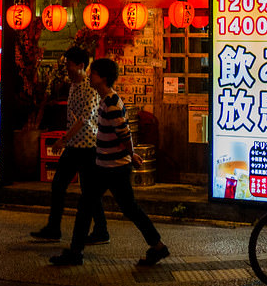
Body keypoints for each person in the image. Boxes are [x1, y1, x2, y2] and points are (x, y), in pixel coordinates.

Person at [51, 57, 169, 267]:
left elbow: (125, 133)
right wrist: (129, 155)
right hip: (106, 165)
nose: (89, 76)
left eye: (93, 73)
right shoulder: (105, 100)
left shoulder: (112, 103)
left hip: (113, 168)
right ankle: (76, 252)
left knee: (123, 208)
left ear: (102, 78)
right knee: (90, 206)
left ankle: (158, 246)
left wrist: (131, 155)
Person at [30, 46, 108, 244]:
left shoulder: (90, 87)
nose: (67, 69)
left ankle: (100, 231)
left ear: (81, 65)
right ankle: (54, 229)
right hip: (74, 144)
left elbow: (84, 118)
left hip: (88, 146)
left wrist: (63, 139)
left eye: (69, 65)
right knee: (59, 185)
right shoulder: (73, 84)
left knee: (88, 191)